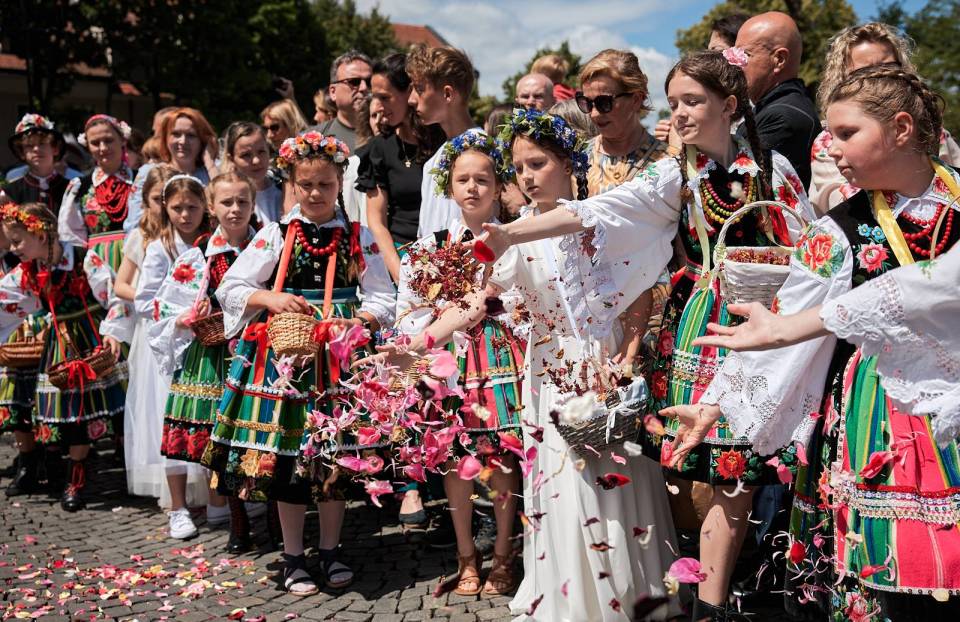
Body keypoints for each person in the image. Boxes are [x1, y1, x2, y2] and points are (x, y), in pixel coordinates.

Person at [475, 50, 815, 619]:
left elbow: (809, 242)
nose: (678, 113)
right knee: (717, 468)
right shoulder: (673, 174)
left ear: (729, 106)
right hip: (705, 324)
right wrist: (510, 234)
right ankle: (709, 602)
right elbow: (599, 211)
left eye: (692, 101)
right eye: (674, 101)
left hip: (772, 320)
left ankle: (745, 586)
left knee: (755, 471)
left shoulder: (772, 168)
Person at [669, 66, 960, 621]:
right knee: (888, 572)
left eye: (847, 133)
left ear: (901, 129)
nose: (830, 148)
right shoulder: (837, 232)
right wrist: (716, 404)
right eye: (829, 134)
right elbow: (781, 330)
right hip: (880, 415)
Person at [385, 112, 680, 620]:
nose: (526, 176)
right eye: (519, 167)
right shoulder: (512, 234)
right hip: (548, 370)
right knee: (564, 483)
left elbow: (639, 287)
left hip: (600, 359)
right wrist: (418, 341)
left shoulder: (598, 216)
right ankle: (572, 600)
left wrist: (630, 352)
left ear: (568, 163)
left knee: (609, 478)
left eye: (537, 163)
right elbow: (476, 303)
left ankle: (626, 596)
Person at [201, 131, 395, 596]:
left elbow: (384, 296)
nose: (314, 193)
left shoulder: (357, 236)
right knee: (287, 458)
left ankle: (329, 549)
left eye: (325, 185)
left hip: (339, 358)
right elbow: (231, 286)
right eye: (305, 185)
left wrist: (359, 320)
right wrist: (270, 298)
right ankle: (292, 555)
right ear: (292, 184)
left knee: (334, 455)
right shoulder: (275, 234)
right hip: (283, 360)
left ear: (339, 184)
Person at [391, 130, 524, 596]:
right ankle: (466, 554)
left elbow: (524, 301)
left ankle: (504, 551)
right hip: (447, 362)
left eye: (482, 179)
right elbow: (408, 307)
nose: (472, 187)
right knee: (453, 459)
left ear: (498, 186)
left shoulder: (514, 240)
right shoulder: (429, 247)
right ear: (449, 187)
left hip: (499, 356)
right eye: (463, 179)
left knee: (502, 455)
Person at [686, 244, 960, 446]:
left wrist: (782, 329)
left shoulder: (839, 232)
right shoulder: (839, 230)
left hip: (892, 383)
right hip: (885, 392)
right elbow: (797, 321)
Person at [149, 172, 260, 549]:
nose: (235, 209)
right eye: (227, 202)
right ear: (212, 207)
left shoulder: (267, 244)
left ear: (253, 205)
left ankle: (260, 509)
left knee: (255, 428)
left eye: (242, 202)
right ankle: (236, 517)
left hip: (258, 346)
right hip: (214, 353)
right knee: (221, 432)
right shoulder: (200, 254)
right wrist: (188, 316)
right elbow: (165, 306)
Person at [0, 202, 126, 511]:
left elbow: (114, 295)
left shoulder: (82, 258)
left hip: (93, 337)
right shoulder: (29, 271)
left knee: (110, 409)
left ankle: (112, 473)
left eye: (17, 241)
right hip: (60, 343)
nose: (13, 248)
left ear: (40, 235)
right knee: (70, 411)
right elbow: (4, 299)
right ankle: (73, 479)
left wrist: (113, 332)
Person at [134, 173, 218, 538]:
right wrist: (179, 316)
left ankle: (216, 499)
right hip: (170, 346)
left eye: (192, 207)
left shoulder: (212, 242)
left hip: (205, 345)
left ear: (205, 208)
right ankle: (178, 507)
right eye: (177, 208)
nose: (185, 215)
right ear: (165, 209)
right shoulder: (160, 248)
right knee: (171, 422)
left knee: (205, 418)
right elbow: (144, 300)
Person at [809, 22, 960, 214]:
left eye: (889, 67)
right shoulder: (829, 145)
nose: (881, 76)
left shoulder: (934, 132)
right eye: (864, 73)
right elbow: (842, 209)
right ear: (842, 79)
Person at [115, 164, 180, 503]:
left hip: (183, 326)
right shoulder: (141, 236)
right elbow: (121, 285)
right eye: (158, 199)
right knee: (157, 402)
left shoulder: (187, 233)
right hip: (152, 326)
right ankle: (167, 486)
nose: (164, 206)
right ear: (146, 200)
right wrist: (153, 297)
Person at [359, 52, 444, 283]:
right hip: (399, 258)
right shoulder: (380, 148)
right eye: (375, 97)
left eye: (385, 97)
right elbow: (376, 221)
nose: (378, 106)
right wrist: (400, 275)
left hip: (444, 257)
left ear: (410, 92)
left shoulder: (444, 142)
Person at [734, 11, 821, 189]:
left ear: (779, 60)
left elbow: (739, 190)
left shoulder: (781, 117)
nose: (735, 64)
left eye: (745, 55)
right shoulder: (772, 108)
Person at [407, 45, 481, 239]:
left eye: (419, 89)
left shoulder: (483, 151)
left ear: (447, 94)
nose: (411, 100)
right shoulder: (432, 162)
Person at [59, 114, 137, 273]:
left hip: (138, 260)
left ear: (123, 140)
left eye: (109, 140)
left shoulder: (141, 179)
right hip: (97, 267)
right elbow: (71, 235)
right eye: (95, 143)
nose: (103, 148)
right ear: (87, 146)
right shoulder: (80, 186)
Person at [125, 108, 219, 234]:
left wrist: (209, 162)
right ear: (166, 138)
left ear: (202, 140)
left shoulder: (212, 171)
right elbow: (134, 224)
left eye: (191, 135)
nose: (183, 141)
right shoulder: (149, 173)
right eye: (176, 134)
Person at [2, 114, 70, 212]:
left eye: (42, 144)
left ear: (55, 149)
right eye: (29, 146)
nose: (36, 149)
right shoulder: (11, 192)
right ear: (22, 153)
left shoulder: (71, 188)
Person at [222, 122, 282, 225]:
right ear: (231, 159)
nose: (256, 161)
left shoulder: (283, 187)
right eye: (246, 155)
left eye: (261, 152)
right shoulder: (226, 198)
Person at [316, 50, 373, 152]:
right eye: (354, 82)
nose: (364, 88)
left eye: (369, 82)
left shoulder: (393, 135)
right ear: (333, 92)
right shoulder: (312, 141)